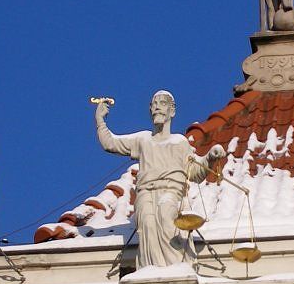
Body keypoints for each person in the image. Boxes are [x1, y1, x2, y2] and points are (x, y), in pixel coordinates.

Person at [94, 92, 224, 269]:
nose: (156, 107)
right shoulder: (143, 140)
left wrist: (210, 157)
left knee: (166, 216)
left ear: (172, 111)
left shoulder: (180, 142)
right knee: (147, 225)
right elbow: (111, 143)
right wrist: (100, 120)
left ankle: (177, 268)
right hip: (146, 193)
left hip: (171, 192)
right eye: (153, 104)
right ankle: (150, 270)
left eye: (162, 103)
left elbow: (194, 172)